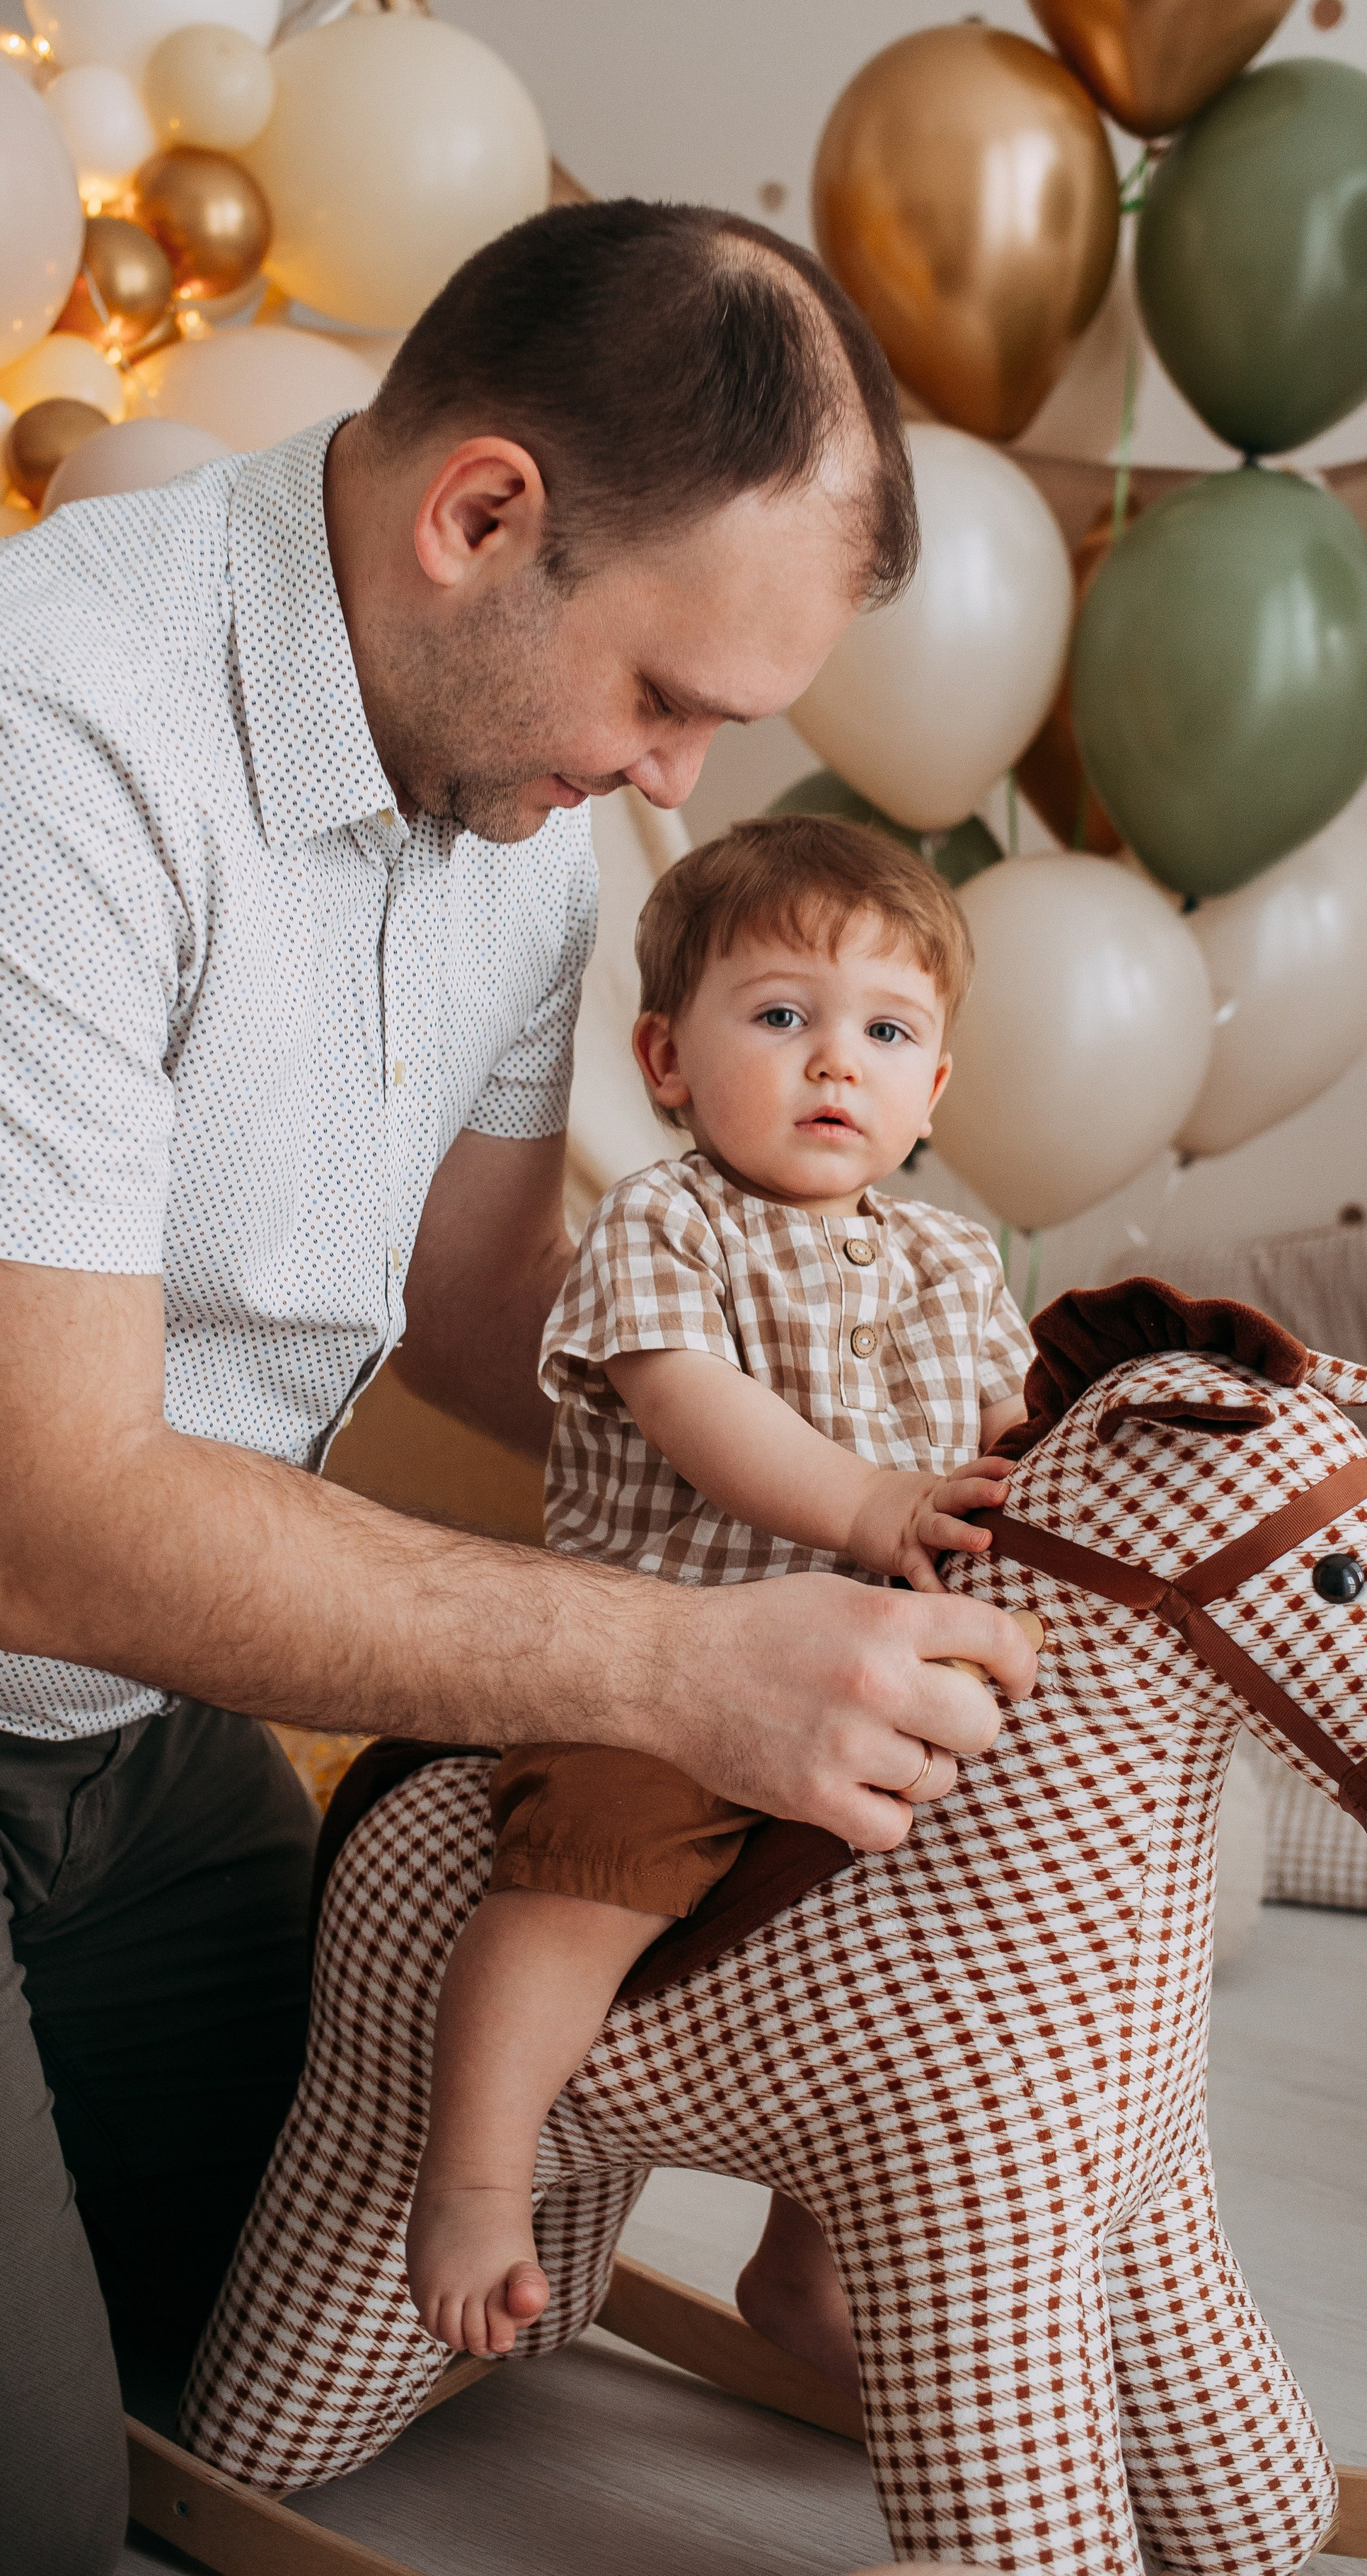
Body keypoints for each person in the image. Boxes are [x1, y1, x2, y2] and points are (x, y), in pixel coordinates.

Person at [0, 200, 1034, 2576]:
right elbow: (40, 1523)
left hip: (137, 1722)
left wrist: (884, 1445)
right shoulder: (18, 731)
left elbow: (499, 1305)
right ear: (482, 515)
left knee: (356, 2295)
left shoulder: (515, 812)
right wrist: (691, 1662)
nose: (677, 777)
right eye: (669, 696)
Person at [405, 815, 1039, 2389]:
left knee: (917, 1967)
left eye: (885, 1033)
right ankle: (475, 2182)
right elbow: (694, 1406)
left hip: (867, 1693)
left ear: (934, 1090)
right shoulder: (662, 1222)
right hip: (670, 1679)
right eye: (780, 1018)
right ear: (665, 1058)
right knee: (588, 1868)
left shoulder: (954, 1265)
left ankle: (808, 2261)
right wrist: (870, 1505)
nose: (837, 1064)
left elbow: (1013, 1443)